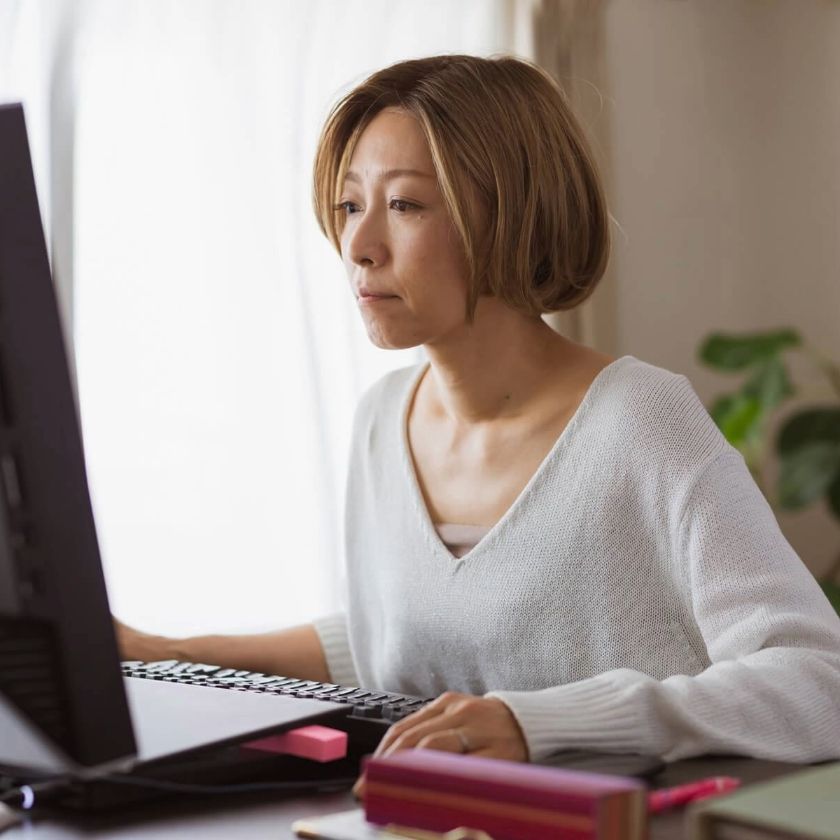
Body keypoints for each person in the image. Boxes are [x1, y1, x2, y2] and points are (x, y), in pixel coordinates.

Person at [118, 54, 840, 772]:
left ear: (511, 214)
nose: (359, 248)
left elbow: (818, 682)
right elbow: (393, 648)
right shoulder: (381, 422)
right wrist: (166, 653)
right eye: (350, 206)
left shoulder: (639, 419)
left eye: (405, 205)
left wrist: (540, 722)